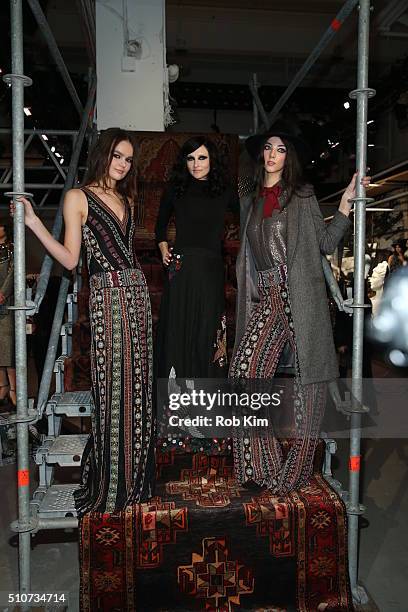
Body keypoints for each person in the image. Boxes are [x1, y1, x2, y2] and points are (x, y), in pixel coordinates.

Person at [11, 128, 155, 516]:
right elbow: (73, 260)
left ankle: (136, 478)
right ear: (101, 155)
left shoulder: (125, 197)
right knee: (111, 387)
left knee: (138, 386)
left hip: (137, 294)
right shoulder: (78, 196)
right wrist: (34, 225)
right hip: (108, 296)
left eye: (127, 158)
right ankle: (113, 484)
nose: (122, 164)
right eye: (116, 156)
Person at [230, 123, 370, 493]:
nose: (272, 155)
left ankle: (294, 474)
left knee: (310, 387)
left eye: (280, 149)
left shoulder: (302, 195)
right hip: (268, 298)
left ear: (288, 157)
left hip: (300, 297)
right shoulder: (252, 201)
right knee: (245, 372)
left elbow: (325, 243)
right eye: (268, 149)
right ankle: (262, 464)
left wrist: (345, 205)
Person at [155, 136, 239, 380]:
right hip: (179, 267)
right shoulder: (174, 189)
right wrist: (162, 248)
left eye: (202, 157)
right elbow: (160, 226)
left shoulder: (225, 191)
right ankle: (175, 401)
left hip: (211, 268)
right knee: (177, 329)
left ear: (212, 159)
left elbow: (251, 213)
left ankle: (208, 398)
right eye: (191, 158)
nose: (196, 164)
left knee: (208, 330)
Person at [0, 221, 16, 407]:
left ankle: (13, 389)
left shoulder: (13, 248)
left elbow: (14, 272)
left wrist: (3, 292)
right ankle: (2, 387)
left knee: (9, 348)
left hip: (8, 303)